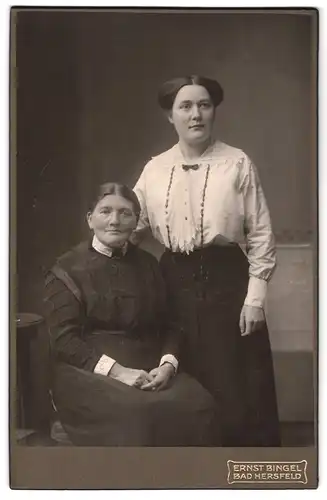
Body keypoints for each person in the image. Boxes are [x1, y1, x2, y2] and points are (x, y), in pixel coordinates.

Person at [133, 75, 281, 446]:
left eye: (204, 105)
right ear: (170, 116)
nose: (196, 114)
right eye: (185, 106)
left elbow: (260, 233)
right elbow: (132, 224)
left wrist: (255, 298)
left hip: (227, 281)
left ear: (214, 111)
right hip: (173, 281)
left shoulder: (237, 163)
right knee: (181, 374)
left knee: (235, 381)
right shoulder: (154, 169)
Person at [43, 182, 218, 446]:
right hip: (88, 372)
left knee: (200, 403)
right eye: (105, 212)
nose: (115, 221)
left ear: (136, 221)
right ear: (90, 219)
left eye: (125, 213)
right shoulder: (67, 269)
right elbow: (64, 342)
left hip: (151, 369)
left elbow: (172, 324)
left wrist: (168, 365)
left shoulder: (149, 264)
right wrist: (119, 372)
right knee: (138, 414)